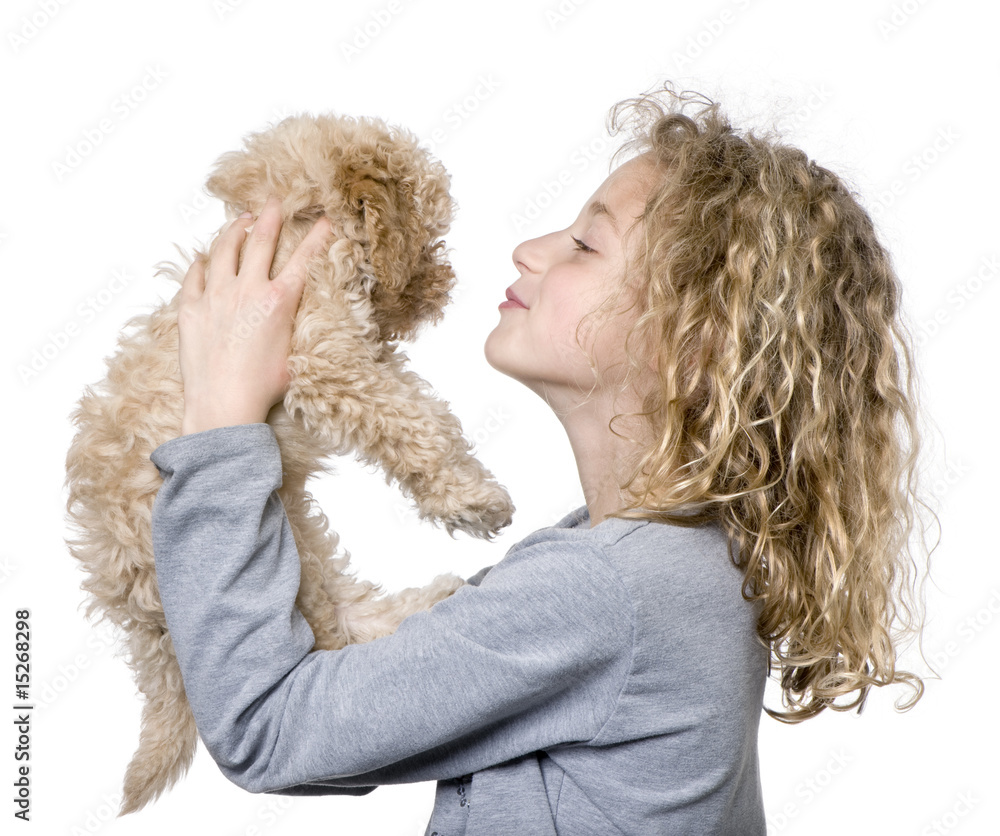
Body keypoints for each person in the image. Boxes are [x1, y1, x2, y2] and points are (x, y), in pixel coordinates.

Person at [149, 83, 929, 834]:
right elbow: (354, 727)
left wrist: (219, 422)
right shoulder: (677, 562)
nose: (528, 250)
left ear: (697, 343)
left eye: (587, 244)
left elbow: (267, 729)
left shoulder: (606, 589)